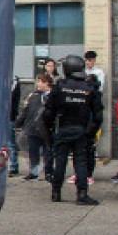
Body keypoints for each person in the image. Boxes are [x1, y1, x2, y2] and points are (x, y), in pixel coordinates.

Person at [43, 55, 102, 205]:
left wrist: (49, 132)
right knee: (80, 162)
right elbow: (98, 115)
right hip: (80, 129)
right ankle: (82, 194)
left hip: (63, 128)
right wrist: (91, 132)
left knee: (60, 161)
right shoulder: (89, 87)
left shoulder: (60, 86)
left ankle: (56, 192)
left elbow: (48, 112)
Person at [15, 73, 52, 181]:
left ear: (47, 83)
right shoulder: (34, 96)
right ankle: (34, 172)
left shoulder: (53, 96)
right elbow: (26, 110)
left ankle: (49, 173)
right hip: (32, 128)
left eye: (40, 82)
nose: (38, 84)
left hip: (46, 129)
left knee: (48, 152)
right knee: (33, 152)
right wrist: (19, 122)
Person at [7, 75, 21, 177]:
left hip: (9, 116)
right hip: (0, 116)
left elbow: (12, 100)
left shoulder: (15, 82)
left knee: (10, 143)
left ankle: (13, 166)